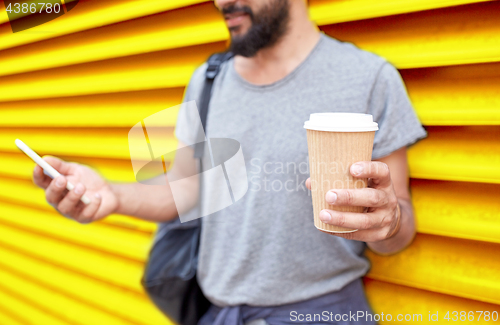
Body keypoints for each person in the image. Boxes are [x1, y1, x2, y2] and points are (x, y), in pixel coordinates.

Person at [33, 0, 427, 324]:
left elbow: (400, 225)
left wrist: (389, 221)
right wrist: (110, 195)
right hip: (218, 314)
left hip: (321, 312)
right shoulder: (207, 79)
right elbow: (185, 194)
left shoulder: (369, 77)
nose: (222, 3)